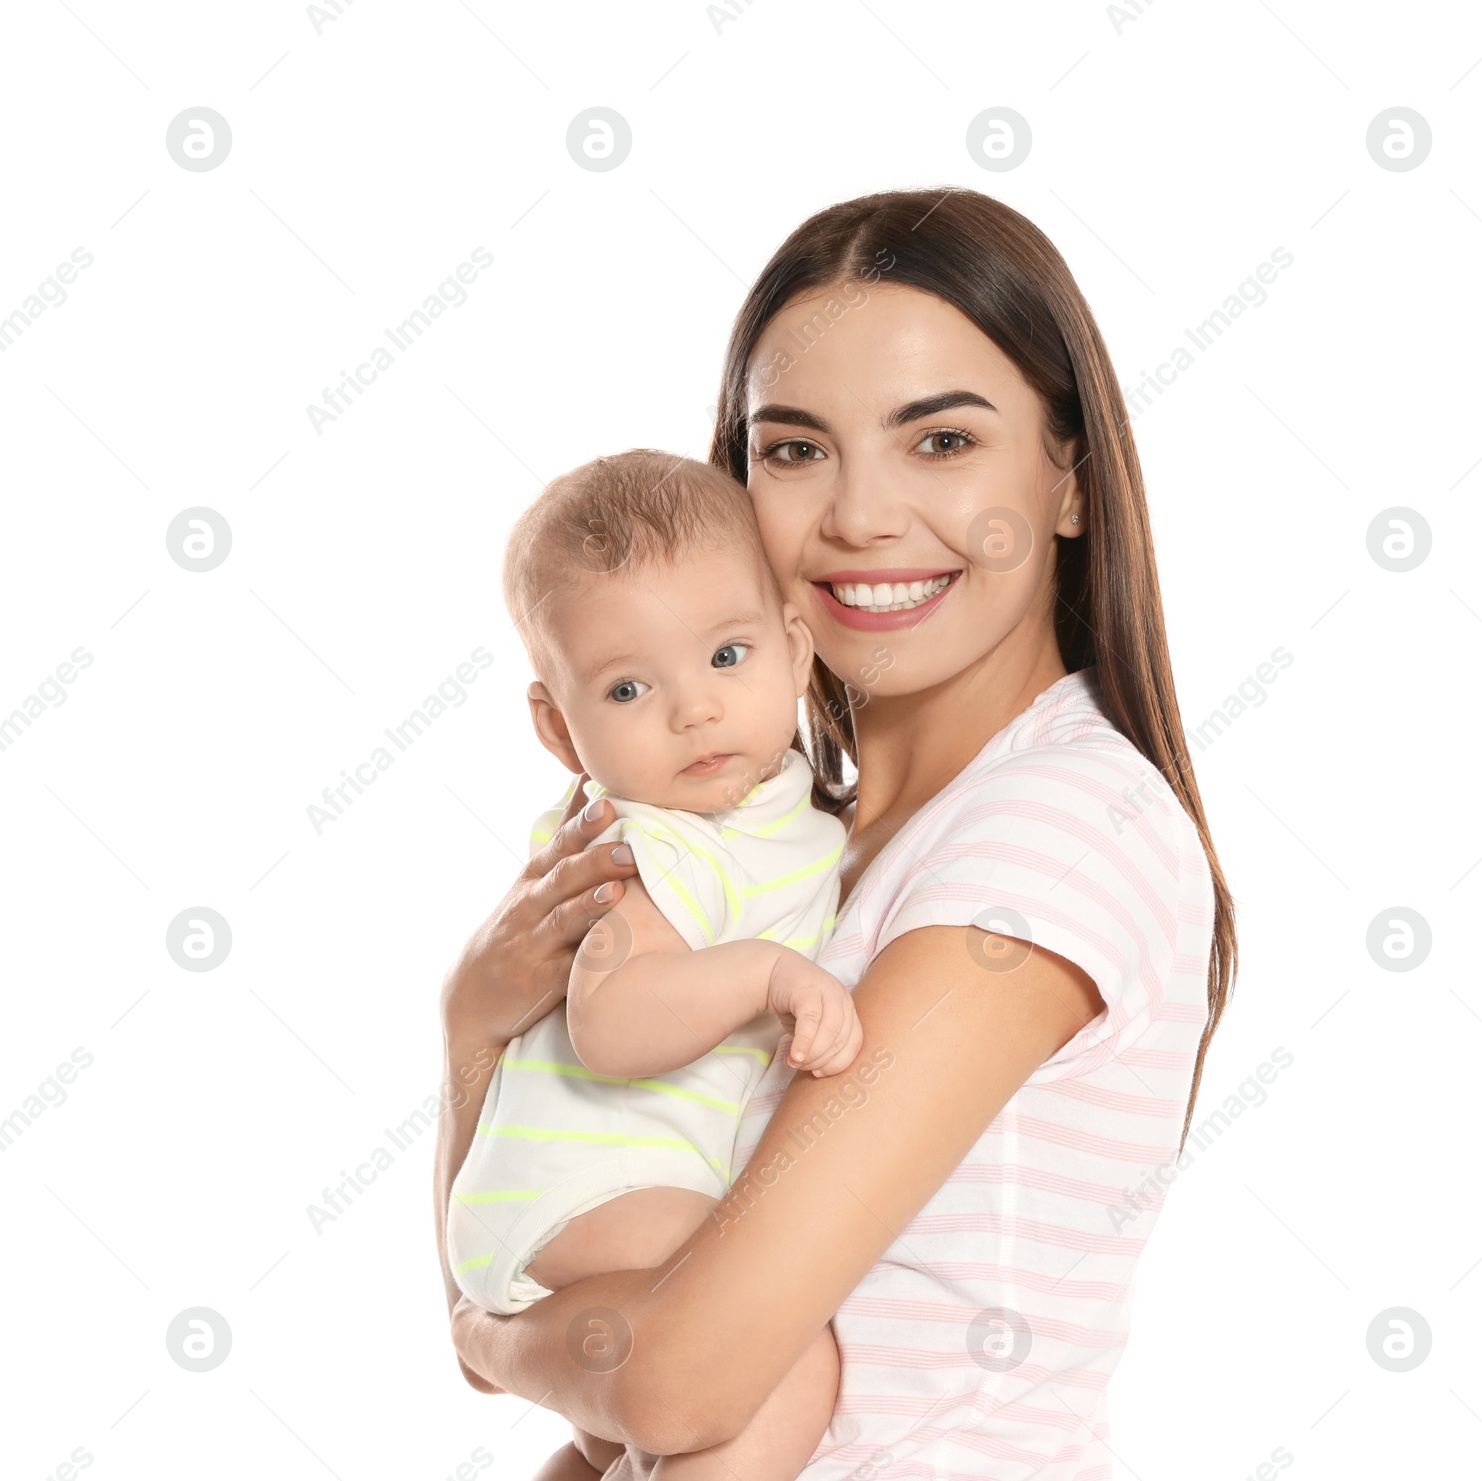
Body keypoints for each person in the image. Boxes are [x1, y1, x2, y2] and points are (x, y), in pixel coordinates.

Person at [434, 186, 1237, 1479]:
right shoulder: (796, 836)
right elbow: (544, 1221)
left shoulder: (1053, 835)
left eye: (939, 442)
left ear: (1069, 483)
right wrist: (473, 1029)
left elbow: (679, 1377)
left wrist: (492, 1346)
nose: (860, 516)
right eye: (796, 450)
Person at [446, 449, 861, 1479]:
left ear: (794, 650)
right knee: (774, 1358)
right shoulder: (646, 840)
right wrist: (766, 973)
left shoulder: (774, 807)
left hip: (576, 1192)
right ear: (558, 726)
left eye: (727, 656)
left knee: (619, 1444)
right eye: (628, 686)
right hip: (587, 1186)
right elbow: (614, 1019)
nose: (692, 708)